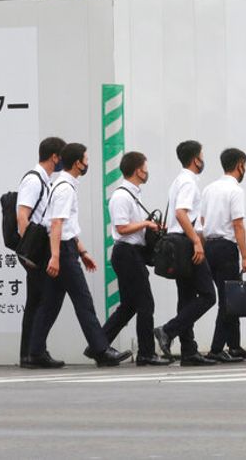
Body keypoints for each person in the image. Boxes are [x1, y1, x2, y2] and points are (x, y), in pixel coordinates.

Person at [27, 143, 132, 368]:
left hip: (65, 248)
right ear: (77, 163)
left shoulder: (63, 184)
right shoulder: (65, 187)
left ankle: (35, 352)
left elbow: (65, 226)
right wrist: (56, 257)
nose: (87, 163)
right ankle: (100, 350)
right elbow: (56, 224)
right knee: (83, 301)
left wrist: (82, 251)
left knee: (50, 304)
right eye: (86, 158)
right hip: (62, 251)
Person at [101, 151, 171, 366]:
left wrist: (151, 227)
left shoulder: (133, 194)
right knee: (145, 304)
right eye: (145, 167)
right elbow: (121, 228)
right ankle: (146, 353)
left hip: (131, 254)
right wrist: (146, 224)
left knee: (129, 305)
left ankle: (98, 345)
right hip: (126, 253)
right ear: (138, 170)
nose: (147, 171)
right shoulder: (122, 196)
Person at [153, 140, 218, 367]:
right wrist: (196, 243)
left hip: (177, 242)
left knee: (187, 297)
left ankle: (189, 351)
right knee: (209, 296)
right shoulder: (189, 182)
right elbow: (181, 214)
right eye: (202, 155)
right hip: (184, 243)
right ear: (195, 159)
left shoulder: (178, 181)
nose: (203, 160)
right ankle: (167, 331)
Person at [198, 148, 246, 363]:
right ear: (239, 164)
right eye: (245, 166)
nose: (244, 170)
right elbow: (238, 225)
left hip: (210, 246)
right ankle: (216, 348)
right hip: (226, 248)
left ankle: (234, 345)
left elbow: (202, 222)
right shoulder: (235, 190)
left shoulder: (209, 189)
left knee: (229, 297)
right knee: (228, 300)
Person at [15, 136, 64, 368]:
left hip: (39, 249)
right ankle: (34, 352)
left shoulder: (45, 181)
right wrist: (29, 253)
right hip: (34, 251)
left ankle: (30, 353)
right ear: (54, 157)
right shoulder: (34, 180)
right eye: (61, 156)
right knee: (43, 300)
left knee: (36, 302)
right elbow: (22, 215)